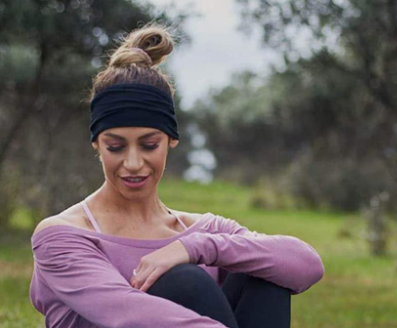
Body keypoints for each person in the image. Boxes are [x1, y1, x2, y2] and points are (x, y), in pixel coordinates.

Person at [29, 23, 324, 328]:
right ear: (97, 144)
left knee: (264, 273)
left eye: (149, 144)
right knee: (185, 281)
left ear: (171, 140)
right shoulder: (62, 236)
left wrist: (194, 247)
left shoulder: (203, 229)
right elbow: (127, 313)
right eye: (115, 146)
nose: (132, 163)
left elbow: (307, 265)